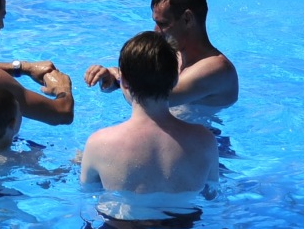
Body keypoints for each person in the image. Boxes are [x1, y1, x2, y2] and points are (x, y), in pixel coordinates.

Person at [78, 32, 219, 214]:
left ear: (124, 82)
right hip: (185, 227)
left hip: (120, 226)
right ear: (175, 80)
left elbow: (88, 196)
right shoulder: (205, 141)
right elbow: (212, 195)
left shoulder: (98, 143)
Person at [84, 0, 238, 111]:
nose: (156, 31)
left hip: (206, 137)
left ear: (187, 19)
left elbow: (150, 103)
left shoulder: (217, 69)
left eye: (163, 23)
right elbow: (140, 87)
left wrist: (119, 75)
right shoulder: (171, 55)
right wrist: (111, 79)